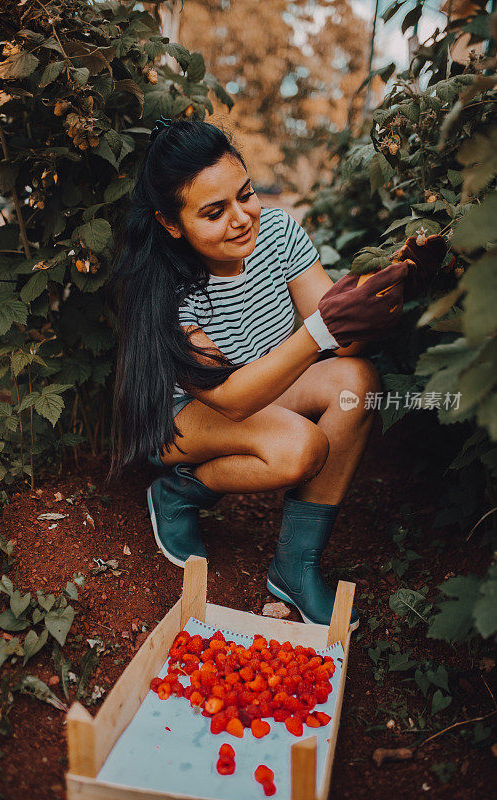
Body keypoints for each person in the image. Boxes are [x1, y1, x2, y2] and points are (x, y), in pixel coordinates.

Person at [109, 116, 413, 630]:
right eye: (213, 212)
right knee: (299, 449)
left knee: (356, 384)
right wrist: (320, 330)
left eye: (245, 194)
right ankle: (178, 490)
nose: (241, 218)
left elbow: (345, 339)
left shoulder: (279, 234)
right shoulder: (168, 286)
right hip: (187, 419)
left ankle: (296, 567)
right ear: (170, 222)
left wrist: (379, 295)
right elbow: (227, 397)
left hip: (263, 391)